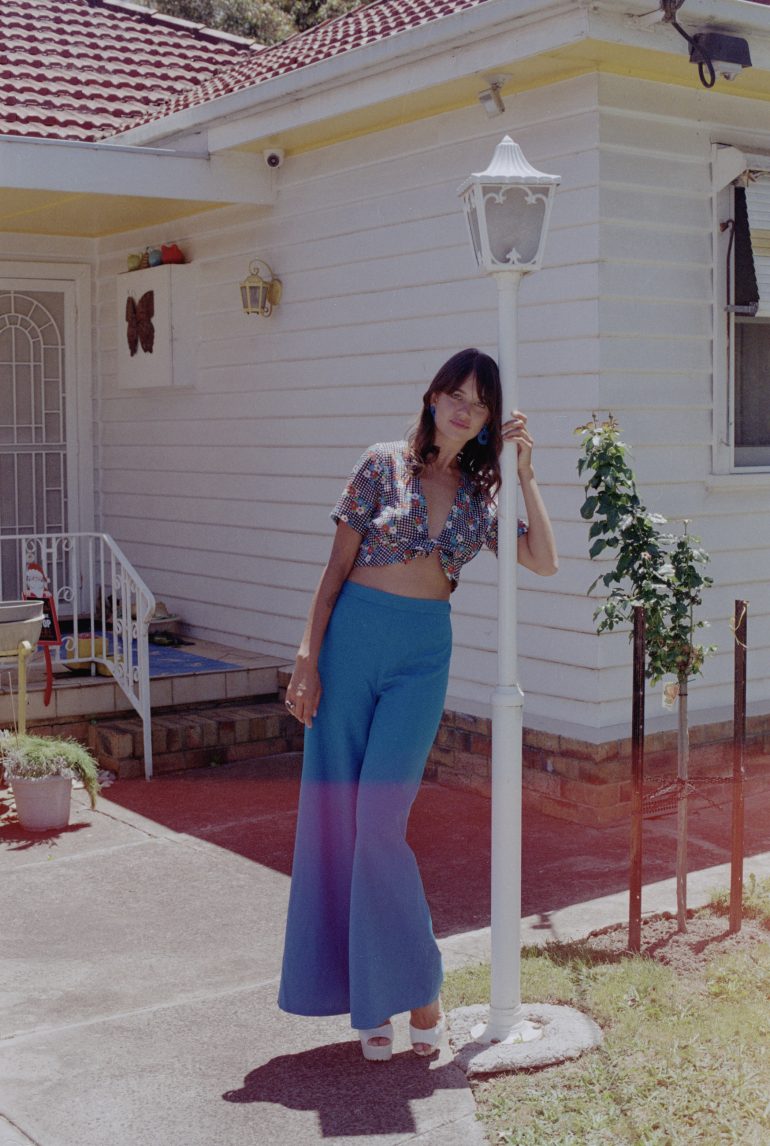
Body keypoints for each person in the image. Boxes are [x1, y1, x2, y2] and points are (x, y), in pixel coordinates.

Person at [278, 347, 558, 1061]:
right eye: (456, 394)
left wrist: (526, 474)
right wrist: (307, 658)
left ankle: (421, 986)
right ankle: (370, 1000)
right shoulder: (381, 465)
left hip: (422, 657)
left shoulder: (481, 496)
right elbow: (334, 571)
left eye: (480, 403)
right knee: (338, 823)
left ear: (490, 420)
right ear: (434, 397)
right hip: (349, 648)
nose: (465, 408)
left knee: (379, 824)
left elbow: (542, 559)